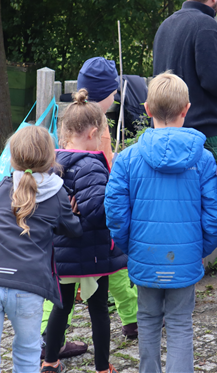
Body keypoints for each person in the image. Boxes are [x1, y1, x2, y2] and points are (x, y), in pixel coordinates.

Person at [105, 72, 217, 373]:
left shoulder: (127, 159)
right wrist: (201, 248)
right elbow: (215, 214)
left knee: (146, 319)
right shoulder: (203, 159)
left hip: (144, 256)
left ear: (146, 109)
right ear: (186, 109)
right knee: (180, 322)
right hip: (184, 257)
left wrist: (129, 246)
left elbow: (115, 214)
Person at [152, 0, 217, 296]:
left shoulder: (166, 26)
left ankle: (170, 274)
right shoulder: (206, 27)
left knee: (174, 207)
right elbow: (212, 79)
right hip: (204, 136)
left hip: (166, 132)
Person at [0, 125, 83, 373]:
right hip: (28, 285)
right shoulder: (58, 193)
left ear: (13, 156)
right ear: (52, 157)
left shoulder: (3, 188)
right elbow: (74, 230)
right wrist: (71, 213)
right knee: (27, 357)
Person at [42, 56, 140, 350]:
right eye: (114, 94)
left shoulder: (73, 119)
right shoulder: (99, 128)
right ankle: (50, 337)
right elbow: (106, 168)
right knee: (107, 272)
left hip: (71, 221)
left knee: (65, 279)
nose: (115, 99)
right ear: (106, 95)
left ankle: (50, 337)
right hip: (94, 216)